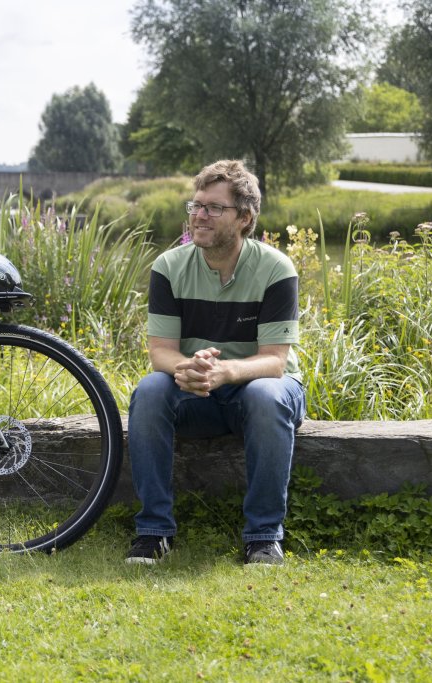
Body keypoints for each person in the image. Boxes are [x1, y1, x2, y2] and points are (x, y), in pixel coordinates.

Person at [126, 159, 306, 566]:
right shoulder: (168, 267)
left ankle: (263, 537)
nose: (199, 215)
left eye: (213, 208)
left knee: (265, 395)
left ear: (244, 218)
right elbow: (160, 351)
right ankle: (153, 532)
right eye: (196, 205)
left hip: (259, 391)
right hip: (198, 393)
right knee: (150, 390)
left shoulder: (276, 269)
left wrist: (226, 372)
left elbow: (275, 362)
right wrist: (187, 369)